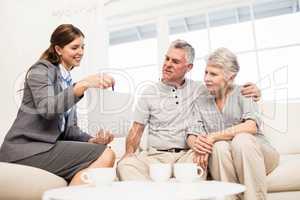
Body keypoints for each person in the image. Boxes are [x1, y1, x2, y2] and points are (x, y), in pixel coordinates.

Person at [117, 40, 261, 180]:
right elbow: (136, 129)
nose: (167, 64)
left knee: (199, 162)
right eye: (167, 59)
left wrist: (254, 91)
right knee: (125, 165)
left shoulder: (201, 89)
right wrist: (129, 153)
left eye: (175, 61)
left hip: (188, 155)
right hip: (156, 157)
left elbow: (224, 86)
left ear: (189, 67)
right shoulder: (149, 92)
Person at [0, 24, 116, 185]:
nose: (81, 52)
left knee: (105, 152)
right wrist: (81, 86)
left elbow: (69, 130)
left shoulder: (67, 82)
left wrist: (92, 141)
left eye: (83, 47)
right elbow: (47, 108)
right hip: (25, 150)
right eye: (74, 47)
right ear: (58, 49)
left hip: (46, 147)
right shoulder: (40, 70)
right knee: (105, 155)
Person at [187, 48, 279, 200]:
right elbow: (192, 134)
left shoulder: (244, 92)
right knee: (219, 147)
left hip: (258, 154)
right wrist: (199, 145)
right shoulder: (201, 101)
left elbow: (251, 126)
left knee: (241, 139)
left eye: (213, 74)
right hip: (226, 157)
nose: (207, 78)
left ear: (230, 77)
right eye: (206, 72)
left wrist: (213, 136)